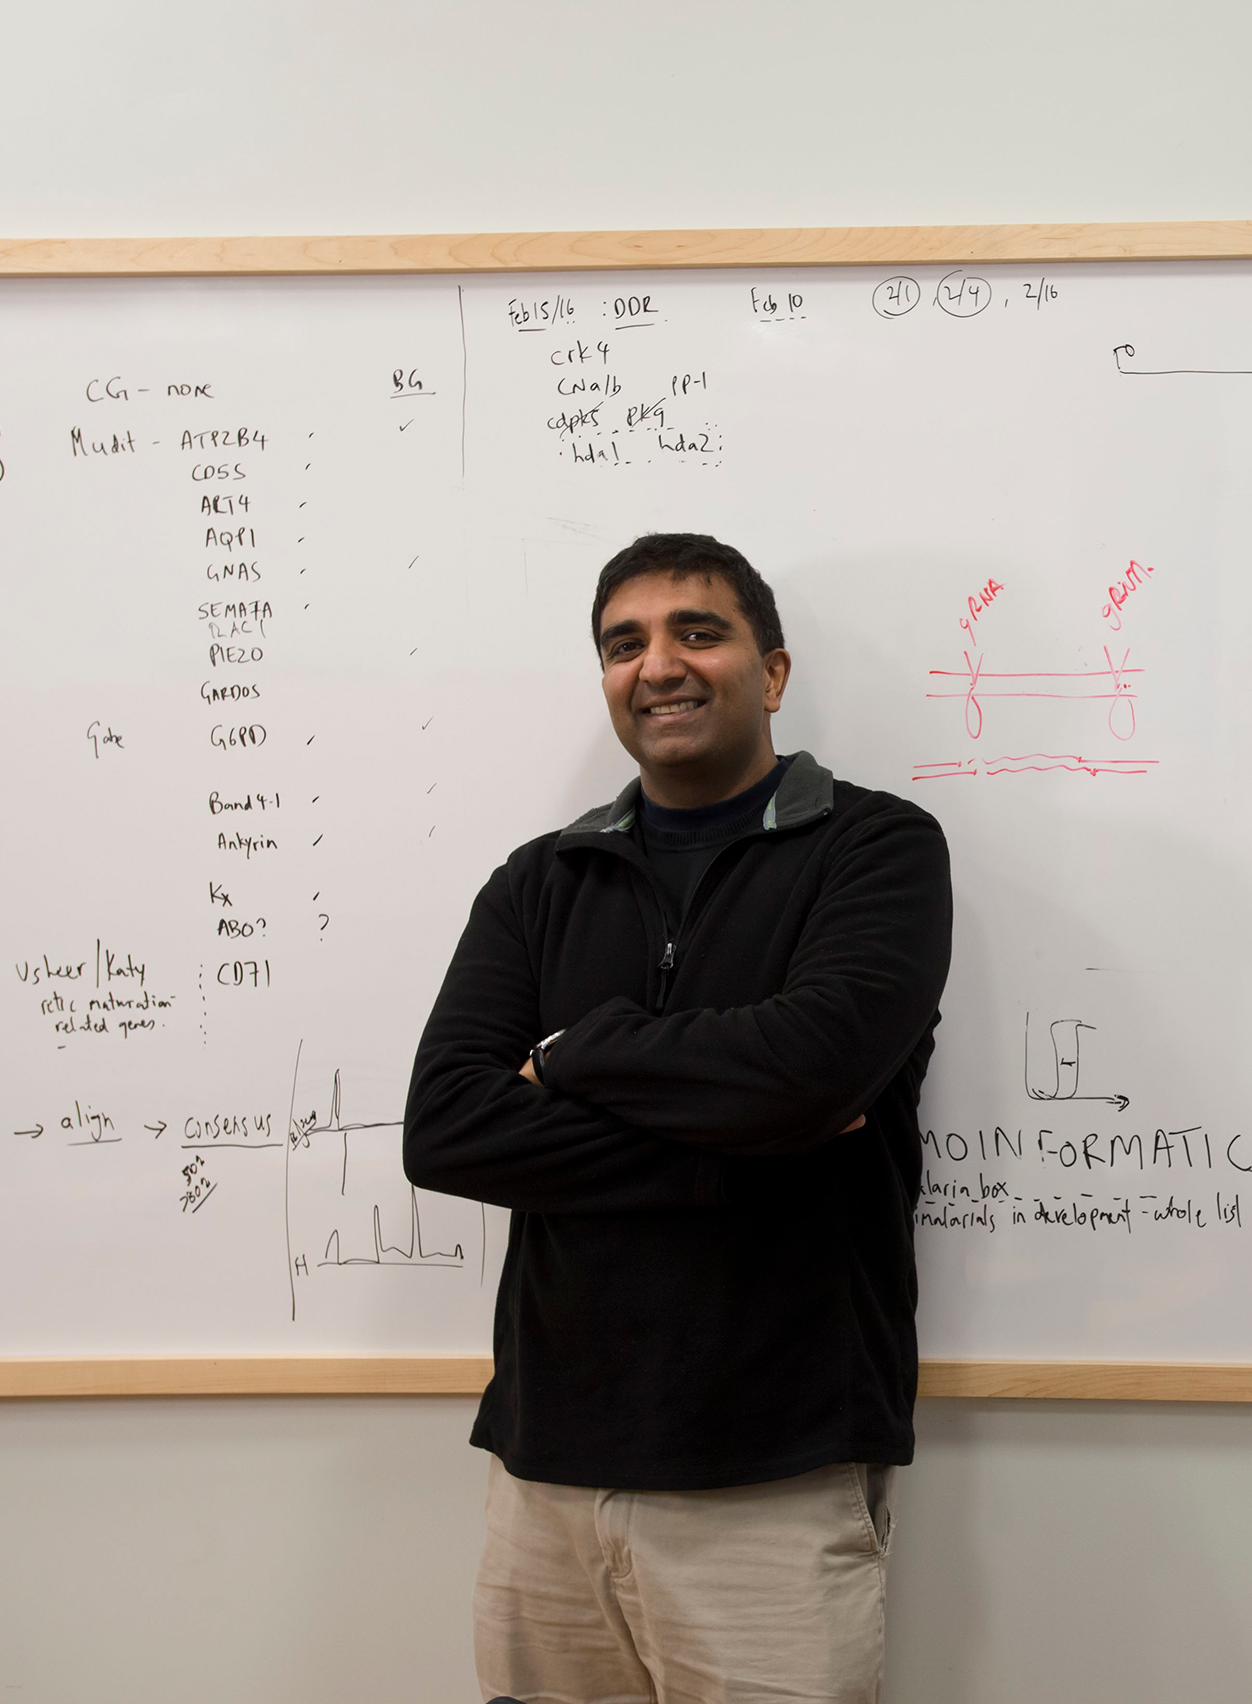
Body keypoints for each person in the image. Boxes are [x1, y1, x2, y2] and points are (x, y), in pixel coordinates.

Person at [403, 532, 954, 1704]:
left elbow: (812, 1068)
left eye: (697, 631)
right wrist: (743, 1152)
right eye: (624, 644)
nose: (657, 664)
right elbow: (446, 1128)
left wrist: (574, 1051)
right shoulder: (537, 882)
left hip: (778, 1472)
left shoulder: (878, 851)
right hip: (545, 1475)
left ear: (773, 672)